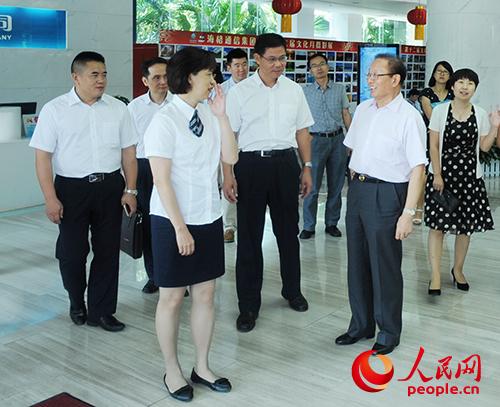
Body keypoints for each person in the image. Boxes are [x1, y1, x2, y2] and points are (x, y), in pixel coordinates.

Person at [144, 47, 238, 402]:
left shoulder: (210, 115)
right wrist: (180, 228)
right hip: (172, 221)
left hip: (208, 215)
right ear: (188, 77)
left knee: (205, 294)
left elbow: (231, 157)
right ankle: (172, 369)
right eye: (208, 73)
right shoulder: (164, 121)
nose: (213, 80)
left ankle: (202, 366)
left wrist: (223, 116)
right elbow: (161, 181)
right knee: (171, 298)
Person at [29, 51, 138, 332]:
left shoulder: (118, 108)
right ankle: (77, 300)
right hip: (71, 190)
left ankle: (102, 312)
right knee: (72, 253)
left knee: (107, 252)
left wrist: (131, 189)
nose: (101, 80)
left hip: (110, 187)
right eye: (94, 74)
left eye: (104, 74)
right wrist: (50, 198)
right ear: (75, 77)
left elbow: (129, 152)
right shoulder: (55, 110)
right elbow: (42, 158)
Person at [334, 54, 426, 355]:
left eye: (376, 75)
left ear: (395, 80)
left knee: (384, 265)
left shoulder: (408, 116)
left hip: (387, 193)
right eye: (369, 75)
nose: (370, 80)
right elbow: (352, 148)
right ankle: (361, 324)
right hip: (358, 191)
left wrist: (409, 213)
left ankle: (388, 330)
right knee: (357, 261)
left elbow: (418, 168)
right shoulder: (363, 109)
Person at [224, 33, 314, 333]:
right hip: (249, 165)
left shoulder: (294, 90)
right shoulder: (240, 92)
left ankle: (292, 290)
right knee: (250, 236)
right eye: (272, 59)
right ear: (257, 59)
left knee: (288, 231)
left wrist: (307, 167)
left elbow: (302, 132)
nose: (278, 64)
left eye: (283, 58)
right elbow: (230, 136)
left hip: (286, 163)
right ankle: (248, 305)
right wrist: (228, 173)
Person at [425, 69, 498, 295]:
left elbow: (484, 147)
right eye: (461, 82)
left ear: (475, 89)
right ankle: (435, 275)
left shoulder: (479, 113)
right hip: (442, 179)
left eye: (470, 84)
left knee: (465, 229)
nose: (465, 87)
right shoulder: (440, 111)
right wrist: (437, 174)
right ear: (453, 86)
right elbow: (433, 145)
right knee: (437, 227)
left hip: (469, 180)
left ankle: (457, 270)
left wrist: (495, 126)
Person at [128, 57, 172, 294]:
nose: (163, 81)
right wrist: (129, 185)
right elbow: (128, 149)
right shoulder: (134, 108)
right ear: (145, 81)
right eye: (156, 77)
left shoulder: (180, 103)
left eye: (166, 76)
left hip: (174, 168)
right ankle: (154, 275)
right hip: (144, 169)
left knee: (173, 221)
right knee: (148, 225)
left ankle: (175, 275)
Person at [299, 52, 352, 239]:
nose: (319, 68)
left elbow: (345, 114)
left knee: (336, 185)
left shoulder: (339, 89)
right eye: (314, 66)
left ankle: (331, 223)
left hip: (337, 140)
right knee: (311, 186)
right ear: (310, 71)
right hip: (315, 141)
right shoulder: (305, 92)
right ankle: (308, 226)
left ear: (328, 66)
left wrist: (352, 140)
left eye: (322, 64)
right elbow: (300, 120)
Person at [413, 61, 455, 225]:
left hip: (450, 140)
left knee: (445, 175)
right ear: (434, 74)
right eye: (439, 71)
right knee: (424, 176)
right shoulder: (426, 94)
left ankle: (445, 209)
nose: (442, 74)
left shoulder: (453, 94)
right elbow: (432, 117)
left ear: (450, 76)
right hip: (430, 138)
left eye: (446, 71)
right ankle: (419, 209)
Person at [220, 48, 249, 244]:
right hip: (227, 144)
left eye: (244, 64)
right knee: (228, 181)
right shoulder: (221, 90)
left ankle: (246, 222)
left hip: (249, 144)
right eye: (237, 65)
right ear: (228, 67)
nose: (241, 69)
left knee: (249, 184)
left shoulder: (255, 88)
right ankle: (228, 225)